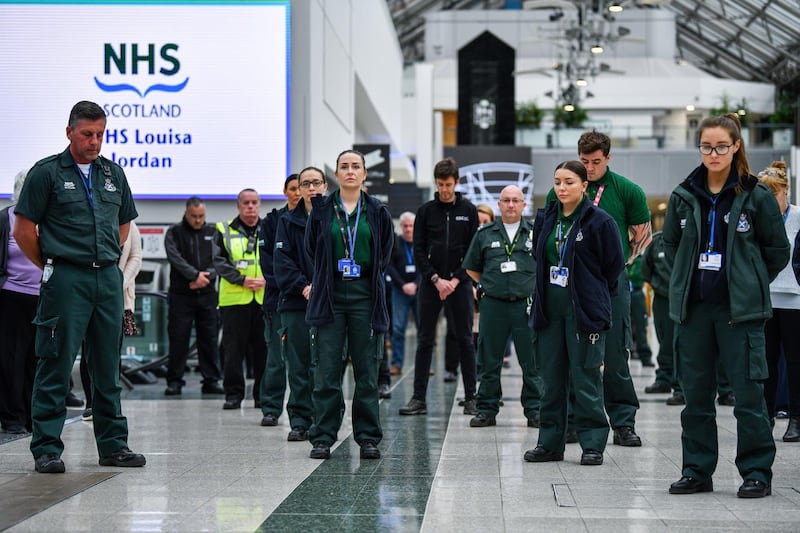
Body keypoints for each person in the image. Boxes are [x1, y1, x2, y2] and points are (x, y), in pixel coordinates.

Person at [13, 100, 145, 473]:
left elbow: (123, 226)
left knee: (106, 365)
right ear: (69, 132)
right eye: (87, 134)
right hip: (66, 278)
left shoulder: (113, 174)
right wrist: (54, 263)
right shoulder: (47, 173)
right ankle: (47, 448)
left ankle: (113, 445)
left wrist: (104, 260)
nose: (94, 141)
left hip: (106, 277)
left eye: (100, 134)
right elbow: (23, 230)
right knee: (55, 362)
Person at [663, 113, 789, 498]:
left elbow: (777, 251)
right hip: (696, 312)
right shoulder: (685, 195)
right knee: (696, 398)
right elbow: (671, 247)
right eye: (706, 146)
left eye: (721, 146)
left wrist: (747, 283)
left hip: (741, 313)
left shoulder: (756, 194)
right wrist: (689, 281)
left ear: (735, 146)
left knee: (748, 398)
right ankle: (697, 470)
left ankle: (756, 473)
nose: (713, 153)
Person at [546, 130, 651, 447]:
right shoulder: (562, 191)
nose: (588, 168)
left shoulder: (626, 190)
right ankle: (575, 421)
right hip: (572, 283)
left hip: (611, 283)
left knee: (616, 354)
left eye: (595, 162)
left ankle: (623, 422)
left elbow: (642, 235)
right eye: (584, 161)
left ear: (607, 158)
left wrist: (621, 265)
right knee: (577, 354)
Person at [524, 161, 624, 466]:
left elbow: (613, 267)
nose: (562, 188)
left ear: (584, 186)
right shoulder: (547, 217)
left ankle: (592, 442)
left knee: (586, 378)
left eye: (569, 182)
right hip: (549, 310)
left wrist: (591, 294)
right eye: (557, 182)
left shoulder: (600, 222)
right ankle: (550, 443)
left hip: (583, 310)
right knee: (551, 380)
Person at [305, 150, 393, 460]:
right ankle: (323, 436)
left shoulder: (377, 211)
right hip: (330, 296)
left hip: (364, 298)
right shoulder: (323, 209)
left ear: (365, 173)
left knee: (367, 371)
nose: (350, 171)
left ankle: (368, 437)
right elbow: (311, 249)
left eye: (356, 166)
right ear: (337, 174)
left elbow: (384, 254)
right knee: (327, 371)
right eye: (344, 167)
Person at [399, 158, 479, 416]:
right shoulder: (425, 212)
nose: (444, 189)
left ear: (456, 183)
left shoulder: (468, 210)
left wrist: (455, 280)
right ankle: (418, 398)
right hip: (431, 285)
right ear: (436, 183)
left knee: (466, 339)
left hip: (460, 284)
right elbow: (419, 249)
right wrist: (435, 279)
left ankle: (471, 397)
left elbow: (472, 250)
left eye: (449, 184)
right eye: (441, 184)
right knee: (425, 340)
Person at [463, 186, 542, 428]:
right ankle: (486, 409)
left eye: (515, 201)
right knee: (489, 360)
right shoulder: (485, 233)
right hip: (493, 306)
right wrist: (490, 284)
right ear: (498, 204)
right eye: (506, 200)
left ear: (523, 205)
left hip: (526, 306)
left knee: (532, 362)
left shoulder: (535, 233)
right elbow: (471, 267)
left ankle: (535, 410)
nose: (510, 205)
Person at [274, 167, 327, 441]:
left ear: (325, 185)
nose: (311, 188)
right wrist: (305, 287)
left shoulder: (334, 217)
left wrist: (320, 287)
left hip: (327, 302)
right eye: (305, 184)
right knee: (298, 364)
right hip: (296, 302)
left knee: (325, 365)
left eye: (316, 182)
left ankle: (325, 419)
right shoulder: (287, 221)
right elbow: (283, 262)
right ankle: (300, 420)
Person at [79, 220, 142, 421]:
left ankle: (110, 406)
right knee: (87, 349)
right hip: (87, 293)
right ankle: (91, 403)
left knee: (112, 351)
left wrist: (118, 280)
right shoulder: (92, 221)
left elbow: (135, 258)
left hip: (119, 295)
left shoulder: (130, 225)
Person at [163, 197, 224, 396]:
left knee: (209, 339)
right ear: (186, 213)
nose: (198, 220)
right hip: (181, 295)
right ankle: (174, 381)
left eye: (201, 217)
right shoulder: (174, 232)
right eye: (194, 217)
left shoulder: (213, 232)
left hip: (207, 294)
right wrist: (194, 275)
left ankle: (211, 380)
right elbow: (175, 258)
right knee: (178, 338)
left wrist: (205, 277)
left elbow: (220, 259)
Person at [757, 161, 800, 441]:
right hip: (765, 298)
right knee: (766, 362)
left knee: (796, 362)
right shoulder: (757, 218)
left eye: (772, 194)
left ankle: (796, 418)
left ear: (786, 191)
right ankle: (767, 416)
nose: (768, 200)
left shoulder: (797, 217)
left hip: (795, 299)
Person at [214, 189, 267, 410]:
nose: (250, 207)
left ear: (259, 205)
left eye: (254, 202)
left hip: (264, 299)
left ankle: (262, 396)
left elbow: (278, 258)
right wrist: (241, 280)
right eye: (246, 203)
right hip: (234, 299)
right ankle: (233, 395)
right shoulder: (223, 229)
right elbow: (218, 261)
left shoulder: (269, 229)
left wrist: (268, 278)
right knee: (233, 351)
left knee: (263, 351)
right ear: (238, 206)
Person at [259, 174, 301, 426]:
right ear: (285, 191)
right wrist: (289, 285)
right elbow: (269, 264)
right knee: (276, 359)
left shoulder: (316, 220)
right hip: (277, 300)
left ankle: (301, 411)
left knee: (302, 363)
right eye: (293, 188)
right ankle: (271, 408)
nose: (298, 192)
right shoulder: (273, 221)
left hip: (305, 302)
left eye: (301, 188)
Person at [0, 170, 39, 435]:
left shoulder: (48, 218)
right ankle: (11, 417)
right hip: (11, 297)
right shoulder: (6, 218)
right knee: (11, 359)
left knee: (36, 360)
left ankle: (31, 416)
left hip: (44, 298)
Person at [641, 232, 682, 402]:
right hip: (662, 298)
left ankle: (681, 385)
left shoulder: (688, 237)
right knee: (664, 340)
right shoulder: (657, 242)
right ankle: (663, 379)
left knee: (681, 343)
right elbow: (646, 268)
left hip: (683, 298)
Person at [387, 211, 418, 377]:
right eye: (405, 226)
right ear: (401, 226)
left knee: (424, 329)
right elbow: (389, 266)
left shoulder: (422, 242)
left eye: (411, 226)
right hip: (400, 290)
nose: (408, 229)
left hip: (420, 290)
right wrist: (403, 285)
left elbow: (426, 265)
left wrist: (416, 284)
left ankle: (424, 365)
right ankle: (397, 363)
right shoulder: (396, 243)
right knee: (398, 328)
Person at [627, 256, 654, 366]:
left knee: (641, 325)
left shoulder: (640, 260)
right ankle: (631, 351)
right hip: (623, 293)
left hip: (637, 293)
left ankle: (645, 356)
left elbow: (642, 275)